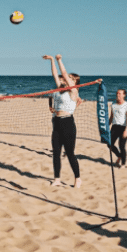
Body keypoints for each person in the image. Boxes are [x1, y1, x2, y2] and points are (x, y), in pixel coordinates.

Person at [44, 54, 82, 188]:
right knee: (56, 153)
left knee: (70, 153)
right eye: (68, 79)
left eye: (71, 79)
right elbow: (56, 74)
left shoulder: (74, 92)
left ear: (75, 83)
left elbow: (64, 73)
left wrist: (60, 60)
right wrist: (52, 61)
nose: (67, 79)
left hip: (68, 123)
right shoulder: (60, 90)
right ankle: (57, 179)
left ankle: (77, 178)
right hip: (57, 122)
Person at [108, 89, 127, 168]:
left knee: (121, 146)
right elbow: (111, 117)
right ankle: (119, 156)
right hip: (115, 127)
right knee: (109, 144)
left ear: (124, 95)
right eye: (117, 93)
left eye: (120, 93)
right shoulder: (113, 104)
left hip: (124, 127)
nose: (118, 95)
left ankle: (123, 164)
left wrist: (126, 130)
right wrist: (107, 126)